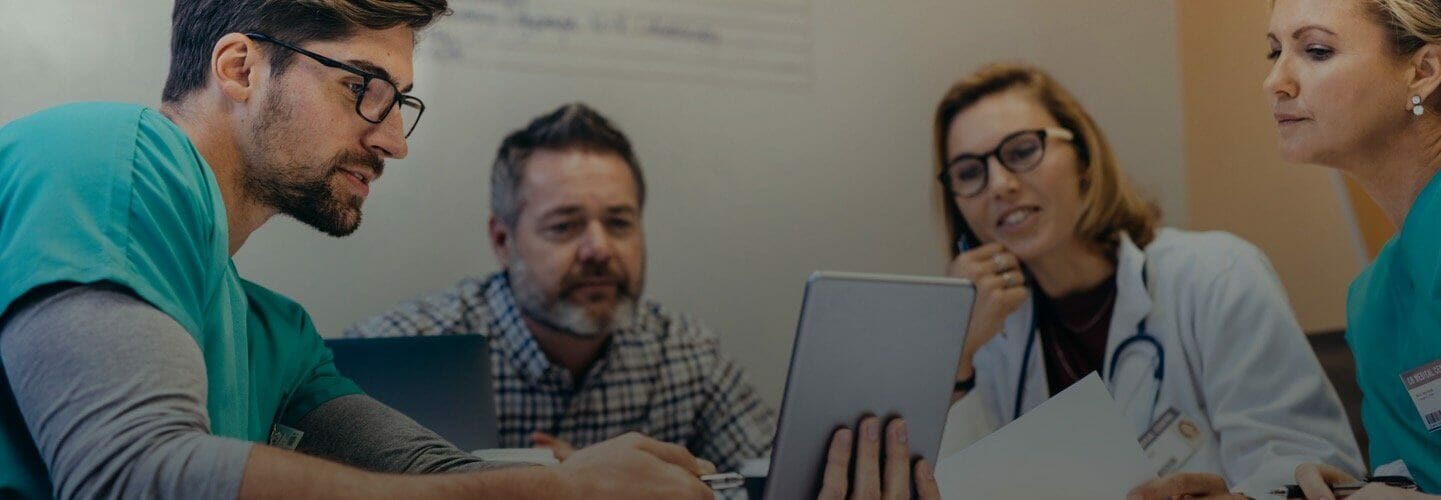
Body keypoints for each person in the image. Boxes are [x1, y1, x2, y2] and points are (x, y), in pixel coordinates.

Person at [0, 1, 928, 498]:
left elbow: (434, 475)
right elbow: (131, 474)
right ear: (240, 67)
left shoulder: (273, 336)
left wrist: (604, 479)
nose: (393, 140)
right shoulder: (107, 153)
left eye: (399, 102)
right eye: (366, 87)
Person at [931, 63, 1364, 499]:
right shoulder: (983, 339)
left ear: (1082, 155)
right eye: (969, 173)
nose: (999, 185)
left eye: (1023, 151)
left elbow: (1311, 467)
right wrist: (957, 350)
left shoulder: (1215, 275)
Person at [346, 102, 774, 473]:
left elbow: (775, 482)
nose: (599, 249)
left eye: (619, 223)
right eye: (564, 226)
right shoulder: (397, 353)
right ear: (503, 242)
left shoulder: (687, 355)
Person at [1265, 0, 1441, 497]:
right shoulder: (1372, 300)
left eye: (1316, 50)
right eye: (1274, 52)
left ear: (1423, 71)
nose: (1275, 81)